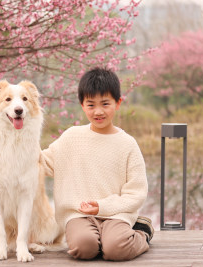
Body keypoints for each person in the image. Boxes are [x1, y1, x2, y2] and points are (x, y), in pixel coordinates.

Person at [41, 67, 154, 261]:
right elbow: (43, 162)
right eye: (91, 105)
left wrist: (101, 206)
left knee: (116, 250)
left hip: (116, 214)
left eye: (105, 104)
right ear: (82, 105)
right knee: (84, 248)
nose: (98, 111)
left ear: (118, 103)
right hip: (78, 214)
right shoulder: (72, 137)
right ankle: (102, 240)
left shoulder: (127, 144)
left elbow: (136, 193)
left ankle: (142, 233)